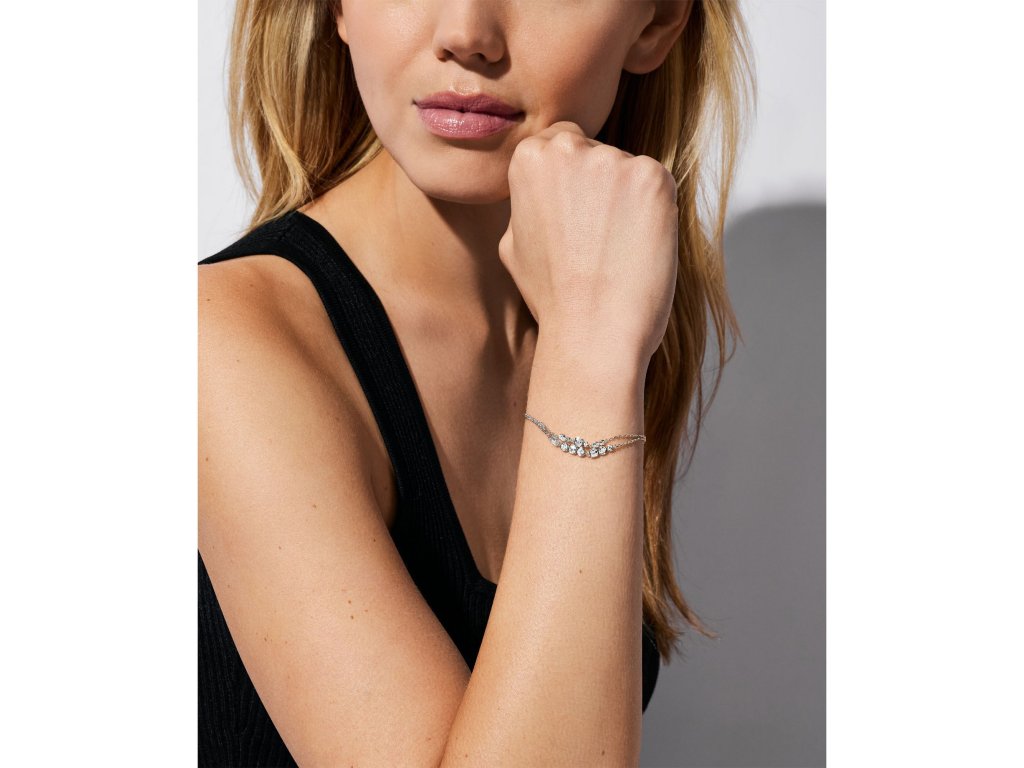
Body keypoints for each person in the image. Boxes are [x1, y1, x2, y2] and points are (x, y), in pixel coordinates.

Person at [198, 0, 754, 765]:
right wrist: (591, 354)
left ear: (655, 22)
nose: (466, 34)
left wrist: (589, 336)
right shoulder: (224, 336)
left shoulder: (587, 308)